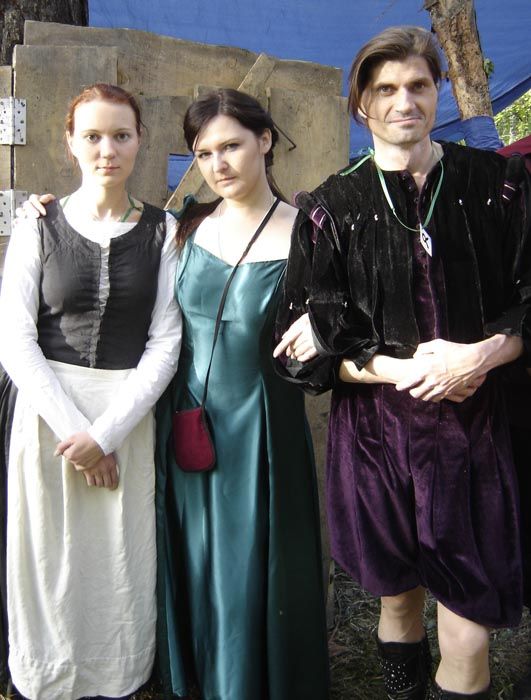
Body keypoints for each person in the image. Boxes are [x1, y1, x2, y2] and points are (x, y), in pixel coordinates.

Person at [274, 26, 531, 700]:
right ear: (360, 102)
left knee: (468, 617)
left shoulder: (497, 185)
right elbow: (299, 352)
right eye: (384, 89)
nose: (403, 102)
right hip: (375, 439)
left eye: (417, 84)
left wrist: (479, 354)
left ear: (438, 88)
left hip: (473, 435)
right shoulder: (330, 209)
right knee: (397, 599)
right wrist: (407, 370)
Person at [0, 83, 182, 699]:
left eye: (121, 136)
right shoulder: (38, 224)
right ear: (71, 143)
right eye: (94, 136)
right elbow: (14, 338)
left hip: (127, 413)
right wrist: (75, 432)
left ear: (140, 141)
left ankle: (117, 678)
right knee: (48, 556)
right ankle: (47, 679)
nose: (108, 150)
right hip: (48, 414)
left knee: (118, 555)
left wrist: (105, 435)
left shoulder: (163, 232)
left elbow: (166, 341)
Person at [154, 88, 329, 699]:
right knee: (196, 555)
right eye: (203, 153)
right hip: (187, 422)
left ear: (266, 140)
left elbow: (346, 321)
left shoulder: (308, 235)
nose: (218, 164)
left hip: (262, 432)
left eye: (231, 146)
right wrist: (43, 213)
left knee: (252, 565)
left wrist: (323, 334)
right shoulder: (184, 227)